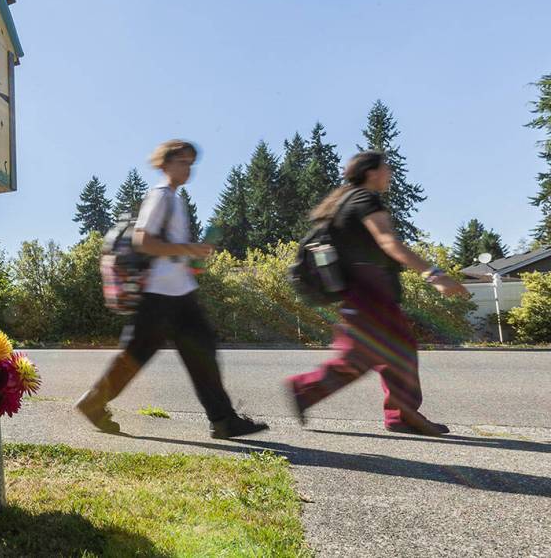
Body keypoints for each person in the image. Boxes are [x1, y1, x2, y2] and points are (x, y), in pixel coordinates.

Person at [75, 140, 268, 439]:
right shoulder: (161, 196)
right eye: (182, 161)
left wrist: (191, 256)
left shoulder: (176, 200)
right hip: (159, 296)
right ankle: (93, 402)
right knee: (138, 356)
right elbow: (143, 241)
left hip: (179, 293)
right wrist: (188, 248)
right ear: (165, 164)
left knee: (201, 351)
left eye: (191, 163)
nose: (188, 168)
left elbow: (169, 251)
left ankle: (223, 419)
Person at [286, 150, 468, 436]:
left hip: (362, 291)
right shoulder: (363, 199)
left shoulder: (344, 202)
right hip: (370, 291)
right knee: (386, 352)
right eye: (387, 168)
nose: (390, 173)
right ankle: (309, 390)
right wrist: (435, 276)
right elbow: (387, 241)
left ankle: (396, 413)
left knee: (386, 353)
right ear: (371, 172)